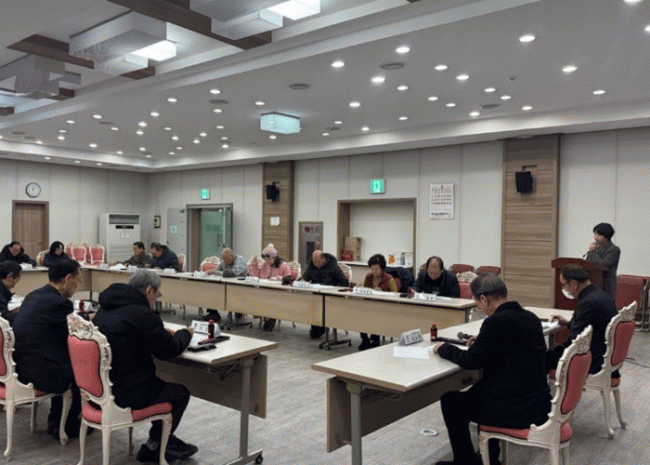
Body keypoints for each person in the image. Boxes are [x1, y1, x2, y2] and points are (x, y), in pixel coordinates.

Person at [432, 274, 551, 465]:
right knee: (479, 391)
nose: (479, 308)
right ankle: (491, 458)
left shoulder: (495, 322)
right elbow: (510, 347)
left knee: (451, 401)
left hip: (514, 407)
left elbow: (471, 360)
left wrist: (444, 348)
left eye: (477, 303)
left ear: (484, 299)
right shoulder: (531, 318)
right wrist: (483, 342)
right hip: (537, 401)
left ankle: (465, 461)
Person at [93, 269, 198, 462]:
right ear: (149, 290)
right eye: (157, 294)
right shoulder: (142, 313)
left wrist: (158, 332)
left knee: (162, 386)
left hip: (102, 389)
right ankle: (155, 446)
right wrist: (185, 333)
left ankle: (164, 441)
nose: (156, 299)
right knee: (180, 394)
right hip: (128, 392)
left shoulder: (105, 307)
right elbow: (168, 350)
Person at [12, 259, 83, 440]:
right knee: (82, 371)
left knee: (61, 360)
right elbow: (75, 334)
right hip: (39, 372)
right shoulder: (60, 303)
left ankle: (55, 419)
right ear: (68, 278)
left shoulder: (33, 295)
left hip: (20, 366)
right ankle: (67, 425)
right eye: (78, 279)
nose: (79, 284)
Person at [547, 264, 617, 375]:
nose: (565, 290)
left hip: (591, 360)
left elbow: (576, 341)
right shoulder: (599, 294)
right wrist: (569, 323)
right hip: (603, 353)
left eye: (564, 286)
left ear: (574, 284)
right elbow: (591, 326)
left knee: (539, 359)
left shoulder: (588, 303)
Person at [300, 250, 349, 339]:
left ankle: (322, 328)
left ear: (323, 259)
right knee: (312, 307)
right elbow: (304, 277)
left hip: (331, 297)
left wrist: (337, 291)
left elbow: (344, 282)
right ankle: (317, 329)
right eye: (314, 262)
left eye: (318, 262)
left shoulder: (333, 267)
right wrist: (302, 280)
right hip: (317, 296)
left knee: (320, 307)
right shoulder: (311, 266)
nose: (316, 264)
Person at [249, 244, 292, 331]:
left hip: (280, 292)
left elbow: (289, 278)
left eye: (268, 259)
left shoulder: (284, 265)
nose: (266, 261)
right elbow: (256, 275)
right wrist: (254, 264)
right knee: (256, 297)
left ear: (274, 257)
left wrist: (278, 278)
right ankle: (265, 317)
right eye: (265, 259)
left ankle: (270, 319)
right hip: (266, 289)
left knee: (271, 299)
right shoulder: (265, 264)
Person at [359, 254, 397, 350]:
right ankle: (364, 339)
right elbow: (364, 289)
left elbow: (396, 296)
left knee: (375, 314)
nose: (374, 271)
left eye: (377, 269)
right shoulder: (368, 277)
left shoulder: (389, 279)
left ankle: (375, 340)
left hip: (384, 308)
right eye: (372, 268)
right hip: (368, 305)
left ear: (382, 268)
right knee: (359, 313)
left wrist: (382, 293)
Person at [205, 248, 248, 322]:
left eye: (226, 259)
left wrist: (218, 273)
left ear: (232, 256)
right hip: (227, 285)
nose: (224, 261)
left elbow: (232, 273)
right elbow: (217, 270)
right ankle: (213, 313)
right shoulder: (224, 261)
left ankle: (239, 314)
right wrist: (209, 272)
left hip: (240, 287)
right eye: (223, 259)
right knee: (212, 287)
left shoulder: (240, 260)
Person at [584, 222, 620, 300]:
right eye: (595, 234)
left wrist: (593, 252)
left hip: (606, 286)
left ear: (607, 236)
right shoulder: (595, 247)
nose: (596, 237)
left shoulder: (614, 250)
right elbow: (587, 264)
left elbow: (603, 264)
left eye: (599, 235)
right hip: (592, 283)